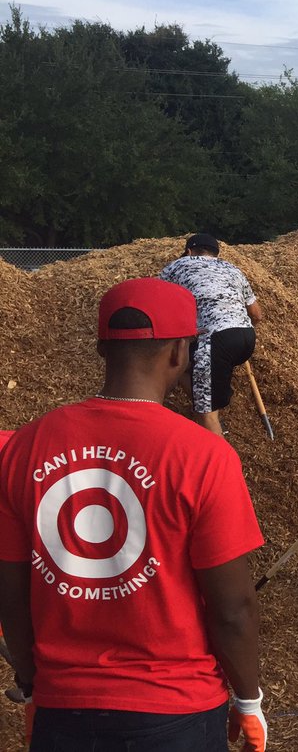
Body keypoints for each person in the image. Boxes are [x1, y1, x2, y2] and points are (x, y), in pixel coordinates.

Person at [0, 278, 265, 750]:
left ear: (102, 349)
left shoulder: (23, 447)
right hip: (176, 709)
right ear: (180, 353)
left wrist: (31, 680)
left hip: (62, 709)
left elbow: (12, 591)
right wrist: (248, 699)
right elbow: (233, 610)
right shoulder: (205, 455)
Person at [160, 233, 262, 436]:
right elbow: (257, 314)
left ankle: (214, 435)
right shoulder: (233, 269)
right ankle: (206, 401)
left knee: (205, 414)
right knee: (181, 365)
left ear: (188, 252)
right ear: (216, 254)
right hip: (246, 338)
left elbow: (156, 297)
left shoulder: (180, 265)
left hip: (215, 340)